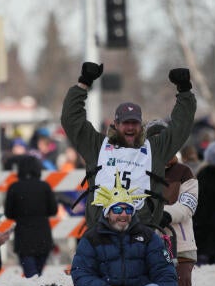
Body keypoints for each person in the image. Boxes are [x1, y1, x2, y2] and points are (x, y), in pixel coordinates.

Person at [61, 62, 196, 226]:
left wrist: (184, 90)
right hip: (102, 234)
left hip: (141, 234)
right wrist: (83, 84)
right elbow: (71, 120)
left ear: (141, 125)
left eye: (134, 123)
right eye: (125, 123)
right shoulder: (97, 147)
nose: (130, 127)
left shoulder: (155, 149)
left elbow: (180, 127)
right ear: (116, 125)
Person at [70, 171, 178, 286]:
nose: (123, 215)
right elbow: (80, 272)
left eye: (128, 209)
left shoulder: (148, 236)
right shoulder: (92, 237)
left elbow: (164, 272)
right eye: (118, 209)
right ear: (107, 212)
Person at [147, 119, 198, 286]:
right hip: (149, 243)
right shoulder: (141, 169)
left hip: (180, 242)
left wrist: (164, 213)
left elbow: (188, 205)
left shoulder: (184, 173)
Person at [4, 155, 58, 278]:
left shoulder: (14, 188)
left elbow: (8, 213)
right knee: (37, 274)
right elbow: (53, 210)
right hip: (43, 237)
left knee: (31, 276)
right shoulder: (44, 187)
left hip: (24, 238)